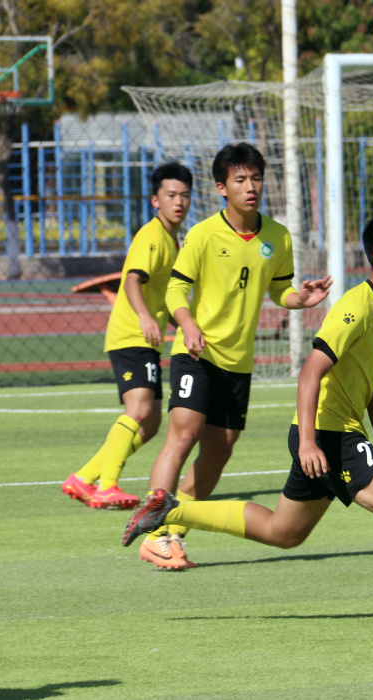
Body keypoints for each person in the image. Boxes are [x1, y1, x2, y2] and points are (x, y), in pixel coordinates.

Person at [121, 212, 373, 617]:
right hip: (327, 433)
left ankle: (170, 510)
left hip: (333, 433)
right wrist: (310, 442)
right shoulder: (356, 307)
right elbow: (310, 372)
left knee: (285, 531)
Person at [137, 142, 332, 570]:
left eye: (256, 178)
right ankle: (153, 534)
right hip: (197, 354)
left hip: (238, 364)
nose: (251, 187)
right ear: (222, 188)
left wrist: (300, 297)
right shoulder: (204, 234)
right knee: (183, 436)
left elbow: (279, 288)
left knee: (218, 452)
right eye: (240, 180)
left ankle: (174, 530)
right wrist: (187, 325)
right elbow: (174, 289)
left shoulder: (277, 237)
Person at [62, 162, 193, 510]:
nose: (178, 202)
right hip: (131, 335)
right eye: (170, 195)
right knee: (138, 409)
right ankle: (107, 485)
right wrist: (146, 318)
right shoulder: (152, 236)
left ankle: (83, 478)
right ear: (155, 200)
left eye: (184, 195)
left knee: (150, 423)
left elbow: (164, 295)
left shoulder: (172, 241)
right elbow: (132, 280)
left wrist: (185, 328)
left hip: (143, 337)